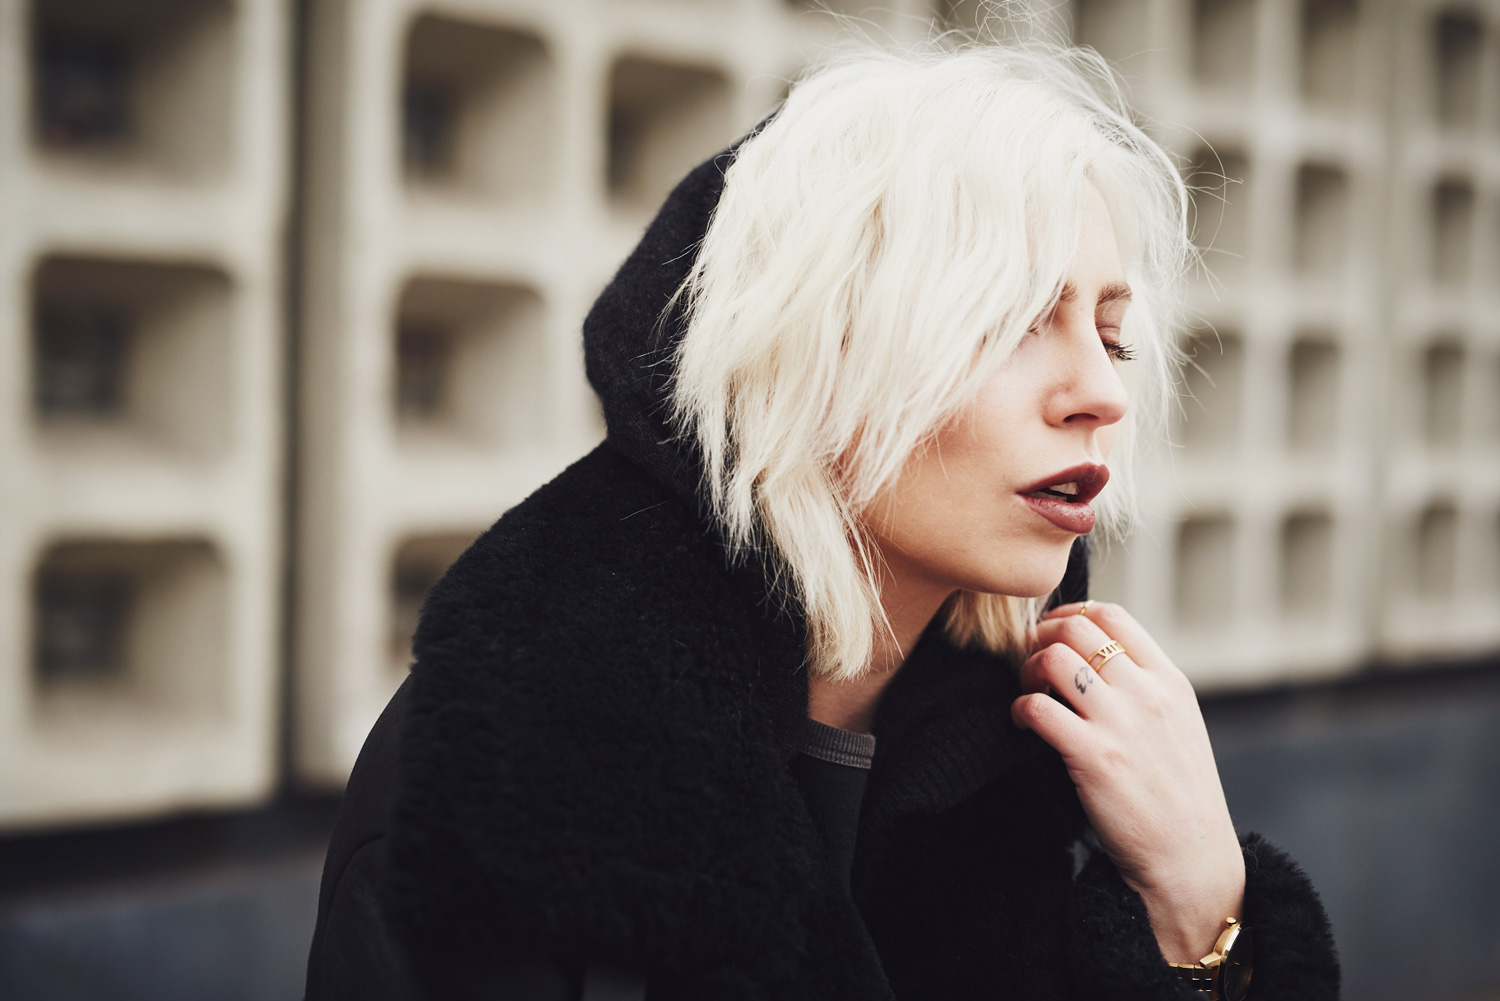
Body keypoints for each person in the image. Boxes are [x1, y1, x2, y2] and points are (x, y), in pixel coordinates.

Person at [304, 38, 1339, 1001]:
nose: (1102, 394)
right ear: (808, 350)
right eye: (1013, 317)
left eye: (1111, 336)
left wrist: (1203, 909)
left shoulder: (1012, 769)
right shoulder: (510, 763)